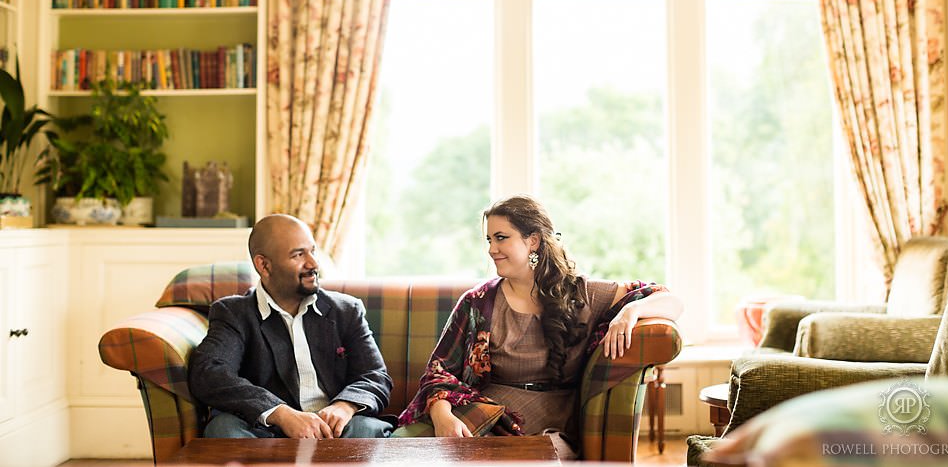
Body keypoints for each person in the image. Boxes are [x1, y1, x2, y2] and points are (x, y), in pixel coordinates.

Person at [394, 195, 683, 458]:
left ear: (532, 241)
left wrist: (632, 310)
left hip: (548, 425)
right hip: (482, 414)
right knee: (403, 451)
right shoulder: (477, 302)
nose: (492, 249)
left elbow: (672, 301)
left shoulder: (581, 294)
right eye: (488, 240)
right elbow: (438, 372)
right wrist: (443, 416)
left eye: (501, 238)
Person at [188, 214, 393, 439]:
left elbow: (374, 375)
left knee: (366, 430)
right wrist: (280, 413)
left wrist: (345, 406)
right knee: (223, 429)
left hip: (337, 431)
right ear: (264, 265)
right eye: (298, 255)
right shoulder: (234, 313)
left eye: (312, 251)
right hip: (267, 432)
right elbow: (209, 372)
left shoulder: (346, 310)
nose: (313, 264)